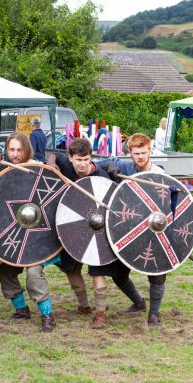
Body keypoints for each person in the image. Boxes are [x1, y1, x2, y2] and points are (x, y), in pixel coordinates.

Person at [46, 138, 119, 328]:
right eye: (78, 159)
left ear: (90, 158)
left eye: (86, 159)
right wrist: (51, 164)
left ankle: (100, 313)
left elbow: (113, 202)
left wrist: (112, 170)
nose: (82, 164)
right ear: (70, 158)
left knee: (96, 269)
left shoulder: (101, 175)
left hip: (98, 227)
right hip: (73, 224)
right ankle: (84, 306)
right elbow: (52, 155)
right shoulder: (65, 164)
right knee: (70, 268)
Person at [98, 133, 167, 327]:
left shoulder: (159, 174)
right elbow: (100, 162)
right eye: (136, 153)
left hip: (154, 231)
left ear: (150, 150)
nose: (140, 157)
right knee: (119, 274)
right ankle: (138, 303)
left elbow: (173, 205)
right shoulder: (126, 167)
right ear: (130, 152)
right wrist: (109, 166)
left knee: (157, 273)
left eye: (144, 152)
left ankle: (154, 314)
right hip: (128, 230)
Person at [0, 132, 56, 332]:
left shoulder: (38, 171)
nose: (14, 154)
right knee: (6, 271)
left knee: (33, 273)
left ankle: (47, 315)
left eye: (18, 150)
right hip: (16, 233)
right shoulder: (4, 171)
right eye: (11, 150)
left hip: (39, 235)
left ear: (26, 149)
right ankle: (21, 309)